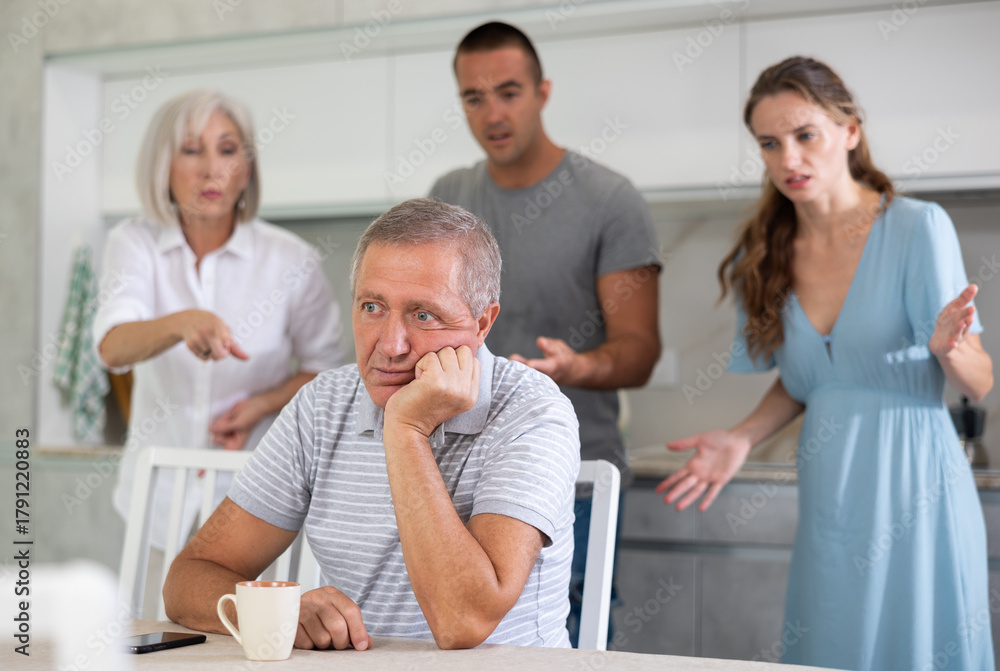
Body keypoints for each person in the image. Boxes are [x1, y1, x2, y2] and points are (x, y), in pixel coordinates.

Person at [657, 56, 994, 670]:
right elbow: (812, 380)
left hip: (916, 480)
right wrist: (739, 438)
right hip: (831, 494)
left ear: (850, 131)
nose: (788, 158)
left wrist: (950, 348)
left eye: (805, 135)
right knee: (833, 647)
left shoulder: (918, 228)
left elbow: (980, 380)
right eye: (769, 143)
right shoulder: (765, 254)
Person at [163, 198, 581, 649]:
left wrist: (404, 429)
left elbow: (463, 620)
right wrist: (277, 612)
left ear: (482, 323)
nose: (391, 345)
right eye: (372, 307)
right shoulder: (322, 405)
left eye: (424, 315)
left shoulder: (533, 412)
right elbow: (187, 580)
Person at [429, 21, 661, 644]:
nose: (492, 113)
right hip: (458, 471)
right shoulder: (449, 197)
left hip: (573, 474)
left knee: (567, 642)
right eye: (474, 98)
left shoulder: (609, 201)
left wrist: (578, 368)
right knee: (460, 642)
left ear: (543, 91)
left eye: (509, 92)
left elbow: (640, 351)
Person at [93, 90, 344, 555]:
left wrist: (263, 403)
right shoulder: (133, 242)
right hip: (156, 501)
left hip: (257, 501)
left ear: (246, 168)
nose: (211, 169)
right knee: (151, 627)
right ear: (161, 165)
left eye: (228, 150)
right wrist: (181, 323)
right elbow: (113, 346)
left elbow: (328, 373)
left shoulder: (292, 260)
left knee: (249, 627)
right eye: (191, 150)